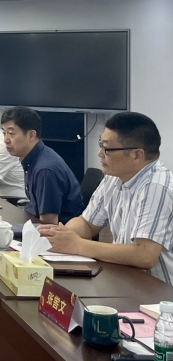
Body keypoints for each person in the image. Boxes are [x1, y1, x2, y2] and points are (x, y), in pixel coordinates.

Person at [39, 112, 173, 284]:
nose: (99, 153)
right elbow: (87, 224)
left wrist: (77, 245)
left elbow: (145, 255)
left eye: (107, 149)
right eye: (100, 145)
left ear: (137, 155)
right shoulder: (113, 177)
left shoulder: (156, 186)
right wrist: (58, 236)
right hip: (124, 277)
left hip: (158, 291)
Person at [1, 106, 83, 224]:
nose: (6, 139)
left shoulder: (45, 169)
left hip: (56, 230)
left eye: (11, 134)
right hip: (33, 219)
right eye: (4, 133)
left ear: (31, 135)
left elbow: (48, 223)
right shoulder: (35, 157)